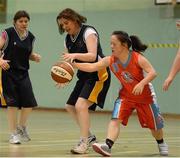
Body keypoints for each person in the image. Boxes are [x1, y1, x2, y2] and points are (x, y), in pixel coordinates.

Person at [73, 31, 168, 156]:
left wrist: (141, 83)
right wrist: (74, 64)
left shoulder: (138, 58)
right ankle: (107, 145)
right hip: (126, 95)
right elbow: (92, 67)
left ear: (124, 45)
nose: (111, 46)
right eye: (110, 44)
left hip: (145, 97)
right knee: (115, 119)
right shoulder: (111, 60)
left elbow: (152, 73)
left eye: (114, 44)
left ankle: (161, 143)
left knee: (154, 127)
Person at [56, 8, 111, 154]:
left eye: (66, 23)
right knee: (70, 106)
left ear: (74, 20)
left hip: (98, 73)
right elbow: (71, 64)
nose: (64, 27)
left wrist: (73, 55)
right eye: (62, 25)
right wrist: (64, 78)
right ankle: (89, 136)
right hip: (84, 74)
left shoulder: (88, 32)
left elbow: (92, 56)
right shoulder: (67, 39)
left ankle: (84, 141)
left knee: (81, 105)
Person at [0, 10, 41, 144]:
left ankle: (21, 127)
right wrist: (0, 61)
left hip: (23, 73)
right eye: (21, 21)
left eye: (26, 21)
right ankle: (13, 134)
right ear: (15, 22)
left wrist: (33, 57)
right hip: (8, 72)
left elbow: (26, 53)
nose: (24, 23)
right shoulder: (8, 33)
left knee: (29, 103)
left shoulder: (31, 37)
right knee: (12, 104)